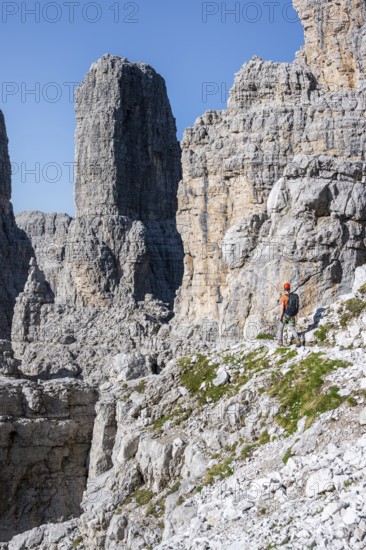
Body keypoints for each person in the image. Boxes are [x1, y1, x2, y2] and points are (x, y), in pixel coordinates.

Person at [277, 282, 301, 347]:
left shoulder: (283, 297)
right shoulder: (294, 296)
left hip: (285, 316)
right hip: (292, 316)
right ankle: (298, 340)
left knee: (280, 328)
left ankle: (280, 341)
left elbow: (282, 308)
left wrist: (280, 316)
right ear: (289, 289)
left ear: (284, 289)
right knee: (292, 328)